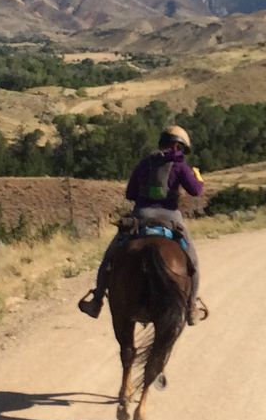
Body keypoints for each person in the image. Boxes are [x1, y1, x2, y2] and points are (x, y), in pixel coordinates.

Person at [79, 124, 204, 320]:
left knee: (109, 258)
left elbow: (130, 194)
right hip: (170, 216)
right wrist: (198, 177)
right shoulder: (180, 165)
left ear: (162, 143)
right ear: (178, 146)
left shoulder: (145, 163)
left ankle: (96, 301)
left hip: (141, 215)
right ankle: (191, 307)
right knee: (192, 261)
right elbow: (196, 190)